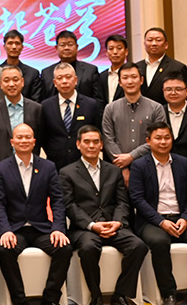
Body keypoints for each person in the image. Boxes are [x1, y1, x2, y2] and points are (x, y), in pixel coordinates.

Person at [129, 122, 187, 305]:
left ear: (172, 140)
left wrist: (186, 218)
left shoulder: (182, 162)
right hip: (153, 221)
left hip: (181, 218)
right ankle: (169, 293)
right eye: (158, 138)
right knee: (159, 242)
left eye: (167, 138)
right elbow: (137, 199)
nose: (163, 142)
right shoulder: (139, 165)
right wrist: (161, 222)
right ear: (148, 141)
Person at [61, 126, 148, 305]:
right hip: (84, 229)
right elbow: (70, 206)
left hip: (113, 224)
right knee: (88, 248)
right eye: (86, 142)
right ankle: (96, 295)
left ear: (101, 145)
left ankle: (120, 294)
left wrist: (117, 222)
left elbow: (122, 202)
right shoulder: (67, 172)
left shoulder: (114, 170)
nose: (91, 146)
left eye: (95, 142)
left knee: (138, 246)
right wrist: (92, 225)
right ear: (78, 144)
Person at [0, 123, 72, 305]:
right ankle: (19, 299)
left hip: (41, 228)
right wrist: (4, 230)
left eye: (28, 137)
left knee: (64, 248)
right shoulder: (1, 169)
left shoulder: (48, 167)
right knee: (4, 250)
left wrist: (58, 228)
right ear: (12, 142)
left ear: (34, 141)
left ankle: (50, 298)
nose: (24, 140)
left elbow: (58, 201)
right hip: (14, 229)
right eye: (19, 137)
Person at [101, 63, 166, 181]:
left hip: (150, 167)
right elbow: (108, 139)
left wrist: (131, 156)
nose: (130, 81)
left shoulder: (156, 108)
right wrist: (123, 166)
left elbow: (159, 139)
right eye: (125, 78)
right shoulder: (110, 109)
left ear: (141, 80)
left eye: (134, 77)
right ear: (120, 82)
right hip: (118, 170)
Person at [41, 62, 104, 169]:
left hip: (84, 163)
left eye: (68, 77)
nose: (64, 81)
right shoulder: (45, 106)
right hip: (55, 164)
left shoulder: (90, 104)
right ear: (55, 83)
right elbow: (43, 137)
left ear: (75, 80)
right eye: (60, 78)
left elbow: (97, 131)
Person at [0, 65, 42, 171]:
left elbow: (40, 139)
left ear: (22, 82)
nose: (11, 84)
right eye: (6, 80)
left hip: (29, 166)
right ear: (1, 84)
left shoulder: (36, 109)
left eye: (15, 80)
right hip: (0, 167)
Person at [136, 28, 187, 104]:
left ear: (166, 45)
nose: (154, 43)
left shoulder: (177, 67)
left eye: (158, 40)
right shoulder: (137, 67)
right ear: (144, 44)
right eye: (150, 40)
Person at [42, 30, 99, 100]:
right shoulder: (46, 73)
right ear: (56, 48)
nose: (66, 48)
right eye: (62, 45)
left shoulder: (91, 70)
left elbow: (97, 100)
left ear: (77, 47)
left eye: (70, 44)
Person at [160, 73, 187, 160]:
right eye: (168, 89)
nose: (173, 93)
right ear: (163, 91)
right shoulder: (158, 112)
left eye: (178, 89)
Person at [0, 30, 42, 102]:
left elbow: (36, 101)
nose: (14, 47)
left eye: (17, 43)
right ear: (4, 46)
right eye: (10, 43)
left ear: (22, 47)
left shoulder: (33, 73)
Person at [95, 34, 129, 104]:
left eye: (119, 48)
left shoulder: (131, 75)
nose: (115, 52)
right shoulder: (101, 76)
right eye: (111, 49)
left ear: (126, 52)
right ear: (106, 53)